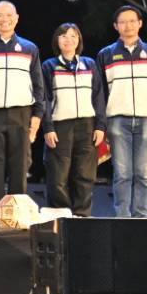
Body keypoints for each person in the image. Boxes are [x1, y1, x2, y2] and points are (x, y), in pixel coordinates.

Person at [0, 1, 45, 220]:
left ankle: (17, 215)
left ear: (17, 18)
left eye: (9, 15)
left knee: (20, 166)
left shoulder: (29, 48)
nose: (5, 20)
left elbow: (38, 85)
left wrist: (37, 115)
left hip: (21, 113)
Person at [97, 5, 147, 218]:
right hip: (117, 120)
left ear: (140, 23)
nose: (128, 26)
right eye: (122, 22)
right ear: (116, 26)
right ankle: (122, 216)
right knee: (122, 174)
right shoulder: (106, 54)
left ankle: (142, 217)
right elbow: (100, 94)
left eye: (132, 21)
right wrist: (101, 124)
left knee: (144, 174)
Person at [42, 23, 105, 216]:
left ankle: (81, 215)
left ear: (79, 40)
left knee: (85, 174)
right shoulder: (49, 66)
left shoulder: (89, 64)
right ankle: (61, 215)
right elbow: (45, 99)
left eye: (73, 36)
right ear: (57, 40)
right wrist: (48, 127)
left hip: (87, 125)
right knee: (57, 176)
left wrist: (100, 126)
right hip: (60, 125)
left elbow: (98, 96)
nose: (68, 40)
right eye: (63, 36)